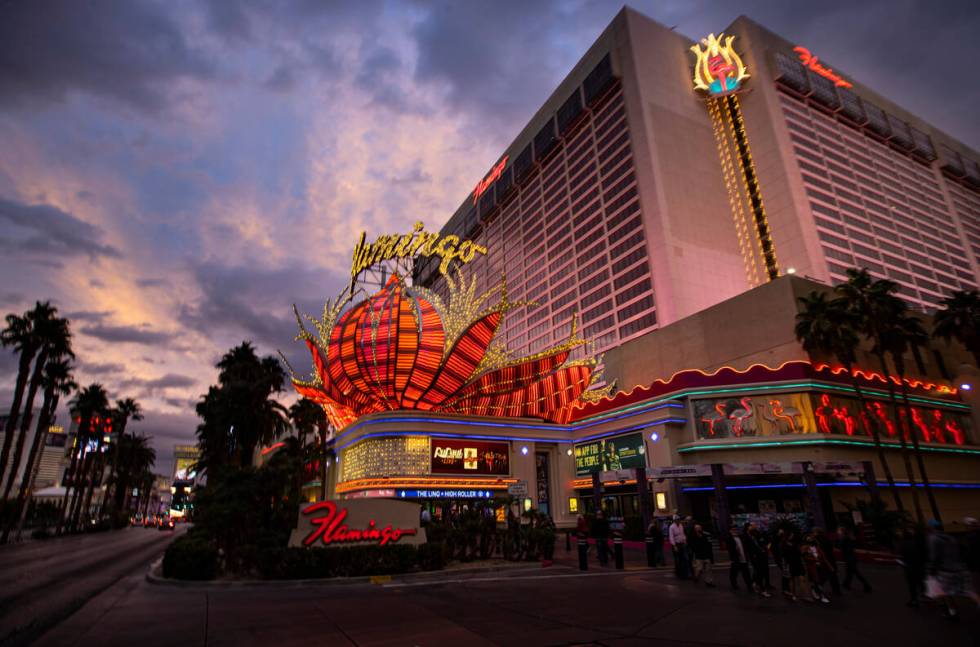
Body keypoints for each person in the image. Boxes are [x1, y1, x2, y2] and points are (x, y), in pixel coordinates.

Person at [926, 519, 977, 621]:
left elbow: (935, 556)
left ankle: (953, 613)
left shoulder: (933, 538)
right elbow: (960, 552)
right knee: (969, 591)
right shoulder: (950, 537)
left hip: (945, 570)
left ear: (931, 527)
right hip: (959, 568)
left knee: (946, 592)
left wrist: (931, 569)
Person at [898, 524, 926, 606]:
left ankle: (914, 599)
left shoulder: (903, 544)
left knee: (912, 584)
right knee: (921, 582)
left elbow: (902, 555)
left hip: (909, 566)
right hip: (919, 565)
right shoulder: (917, 541)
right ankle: (926, 597)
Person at [839, 524, 872, 593]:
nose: (838, 532)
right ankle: (846, 584)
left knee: (855, 573)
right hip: (851, 558)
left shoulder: (845, 538)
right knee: (849, 572)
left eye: (839, 530)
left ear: (842, 531)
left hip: (849, 559)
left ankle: (867, 585)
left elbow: (847, 549)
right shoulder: (848, 538)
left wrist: (847, 557)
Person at [802, 532, 832, 604]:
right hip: (812, 567)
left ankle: (814, 589)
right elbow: (805, 558)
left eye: (811, 538)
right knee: (817, 581)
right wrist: (815, 560)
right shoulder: (804, 547)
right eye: (808, 538)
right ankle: (822, 596)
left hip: (821, 566)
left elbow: (823, 557)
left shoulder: (817, 546)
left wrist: (829, 566)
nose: (810, 539)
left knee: (824, 579)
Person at [745, 524, 772, 597]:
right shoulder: (749, 540)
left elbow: (764, 545)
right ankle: (762, 590)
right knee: (759, 573)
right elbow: (750, 550)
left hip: (761, 557)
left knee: (761, 572)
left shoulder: (758, 539)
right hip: (756, 558)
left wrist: (766, 549)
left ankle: (755, 583)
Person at [725, 525, 753, 591]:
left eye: (736, 529)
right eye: (733, 530)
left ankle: (749, 586)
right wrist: (734, 549)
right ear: (730, 531)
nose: (735, 531)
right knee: (734, 573)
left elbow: (746, 545)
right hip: (735, 559)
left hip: (743, 558)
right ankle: (734, 584)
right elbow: (729, 548)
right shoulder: (729, 538)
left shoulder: (741, 537)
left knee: (746, 573)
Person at [814, 527, 840, 595]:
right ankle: (837, 591)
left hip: (824, 560)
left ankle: (817, 589)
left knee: (823, 576)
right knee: (832, 575)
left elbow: (819, 551)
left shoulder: (817, 540)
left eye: (814, 532)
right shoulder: (826, 538)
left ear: (816, 533)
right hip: (830, 559)